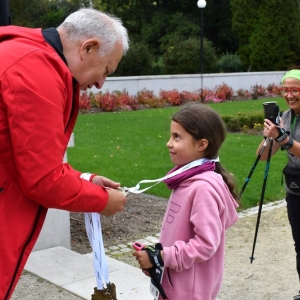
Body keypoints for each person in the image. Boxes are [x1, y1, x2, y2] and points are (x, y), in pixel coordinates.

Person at [0, 8, 129, 299]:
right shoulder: (36, 74)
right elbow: (43, 179)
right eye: (106, 70)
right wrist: (100, 201)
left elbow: (24, 158)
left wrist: (86, 180)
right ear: (88, 48)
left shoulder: (23, 52)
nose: (100, 84)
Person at [133, 102, 239, 300]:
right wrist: (158, 260)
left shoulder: (203, 188)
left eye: (177, 137)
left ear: (202, 145)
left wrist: (162, 257)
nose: (169, 143)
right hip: (175, 282)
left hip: (190, 291)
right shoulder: (186, 180)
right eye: (171, 136)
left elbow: (206, 244)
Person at [256, 68, 300, 300]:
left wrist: (285, 139)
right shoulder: (285, 117)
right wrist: (270, 136)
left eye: (295, 90)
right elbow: (262, 156)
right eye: (286, 90)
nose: (290, 95)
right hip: (295, 190)